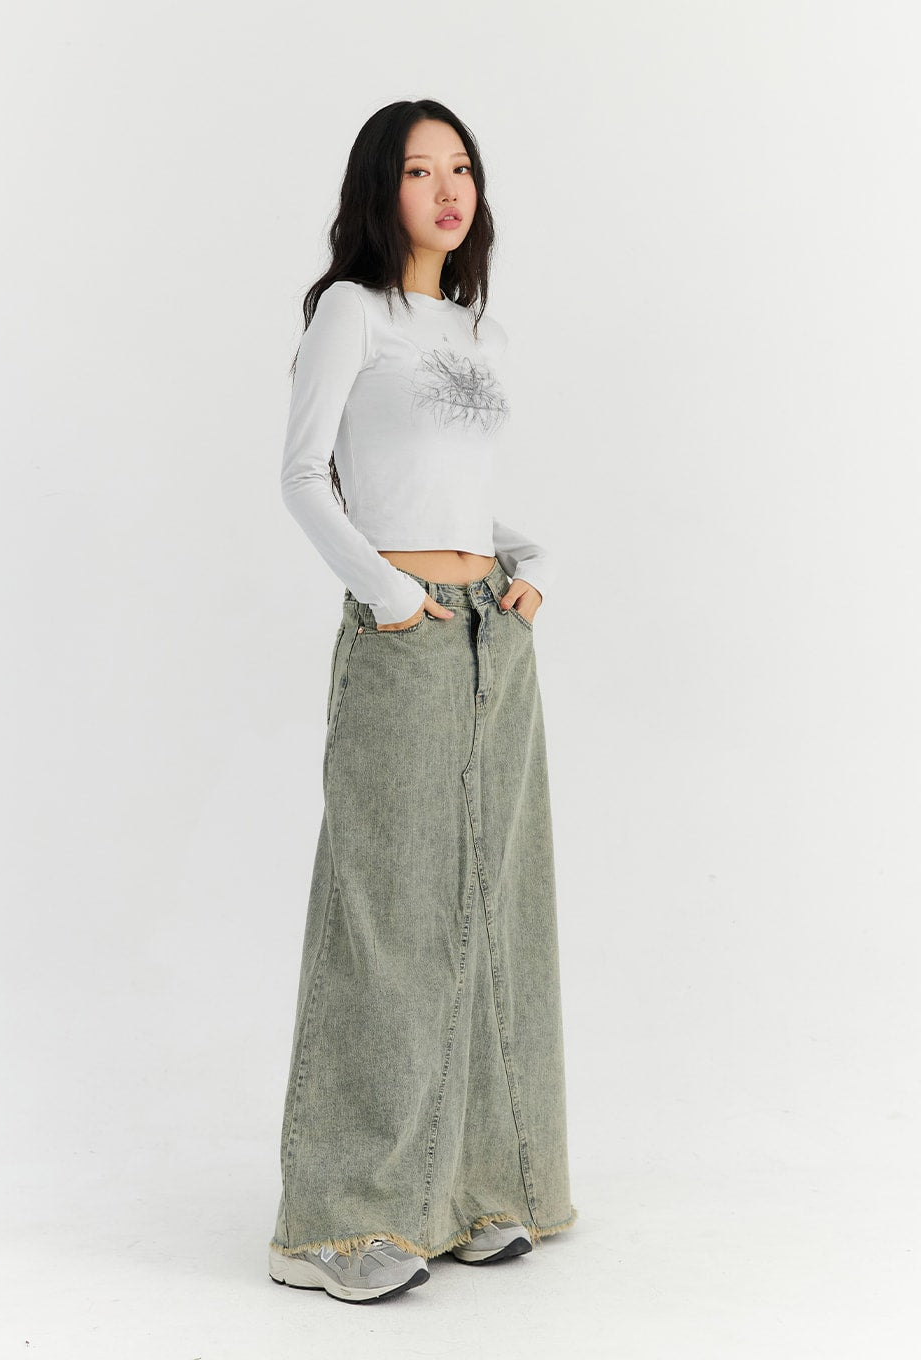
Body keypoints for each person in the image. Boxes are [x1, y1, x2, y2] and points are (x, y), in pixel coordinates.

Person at [268, 99, 576, 1304]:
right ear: (378, 188)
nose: (448, 189)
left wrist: (524, 565)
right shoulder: (350, 312)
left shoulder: (469, 328)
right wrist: (392, 597)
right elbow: (306, 477)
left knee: (495, 908)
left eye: (461, 168)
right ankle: (336, 1223)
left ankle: (472, 1193)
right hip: (406, 636)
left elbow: (450, 491)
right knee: (387, 914)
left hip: (491, 631)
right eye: (418, 169)